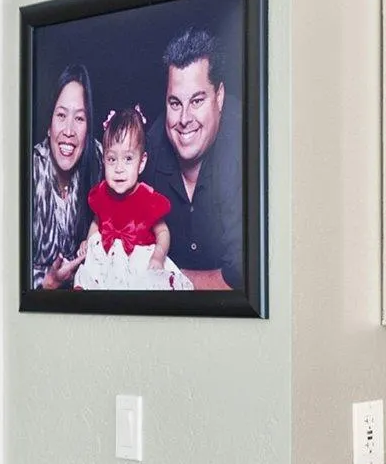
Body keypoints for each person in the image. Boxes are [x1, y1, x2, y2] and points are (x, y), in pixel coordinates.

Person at [150, 24, 243, 294]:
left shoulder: (245, 148)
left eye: (197, 101)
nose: (184, 120)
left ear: (220, 97)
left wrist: (163, 279)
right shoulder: (151, 150)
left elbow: (242, 279)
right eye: (175, 103)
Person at [73, 105, 181, 290]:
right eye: (112, 159)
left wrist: (158, 255)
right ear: (104, 159)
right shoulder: (101, 194)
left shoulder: (147, 198)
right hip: (107, 264)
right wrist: (89, 242)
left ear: (142, 162)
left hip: (138, 267)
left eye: (128, 158)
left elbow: (163, 232)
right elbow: (97, 222)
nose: (119, 168)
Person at [27, 65, 98, 289]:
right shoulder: (31, 172)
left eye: (79, 118)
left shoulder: (100, 160)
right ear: (49, 125)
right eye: (61, 115)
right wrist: (48, 283)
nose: (68, 130)